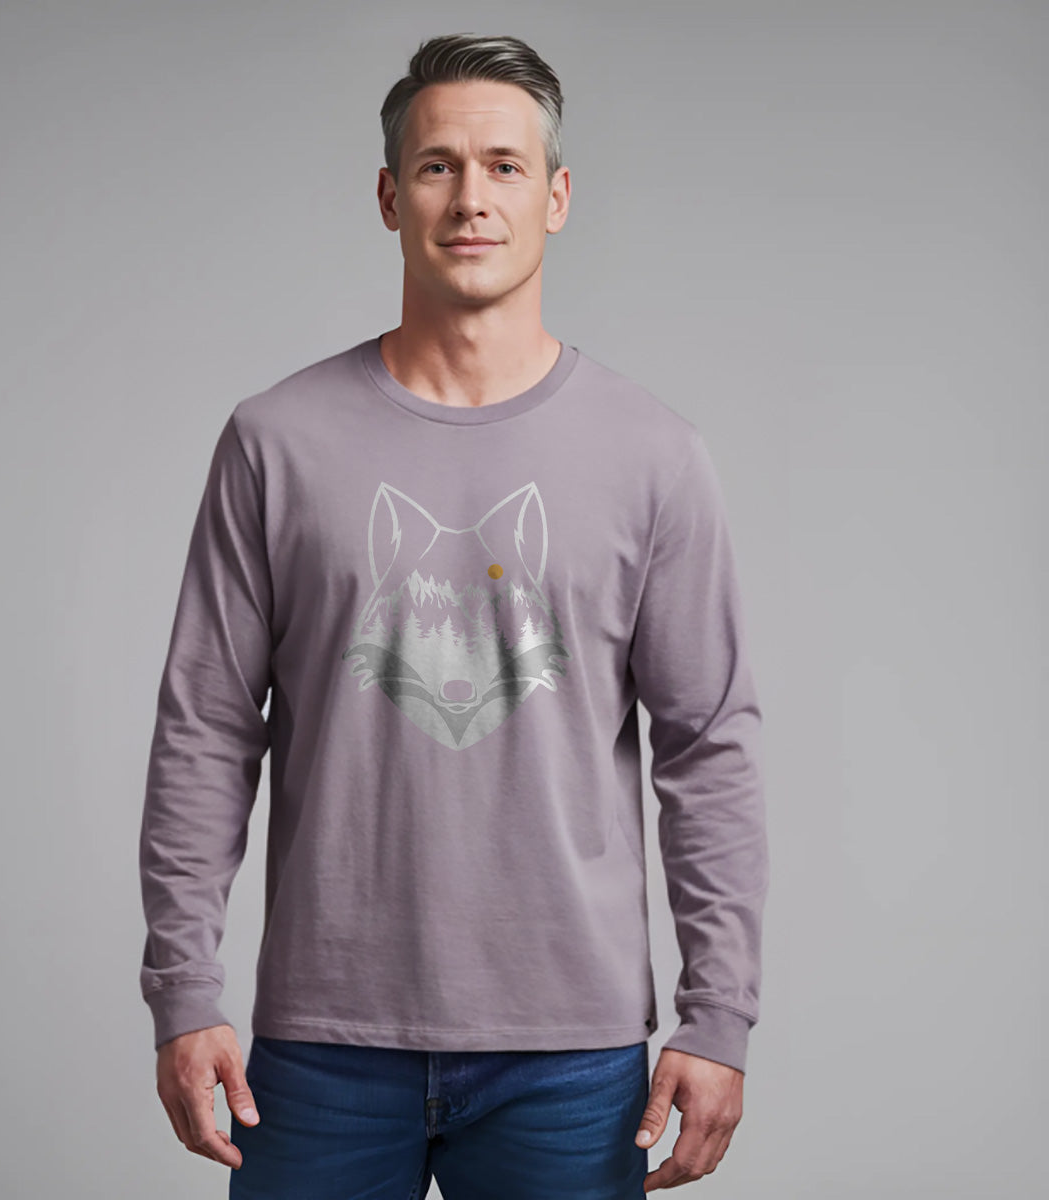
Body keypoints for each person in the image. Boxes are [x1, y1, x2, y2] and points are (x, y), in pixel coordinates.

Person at [138, 31, 769, 1199]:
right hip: (320, 1044)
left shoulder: (654, 456)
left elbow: (708, 746)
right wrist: (182, 990)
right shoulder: (277, 443)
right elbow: (205, 728)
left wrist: (718, 1014)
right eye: (437, 166)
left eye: (504, 165)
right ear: (390, 196)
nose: (472, 197)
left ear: (556, 197)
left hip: (572, 1054)